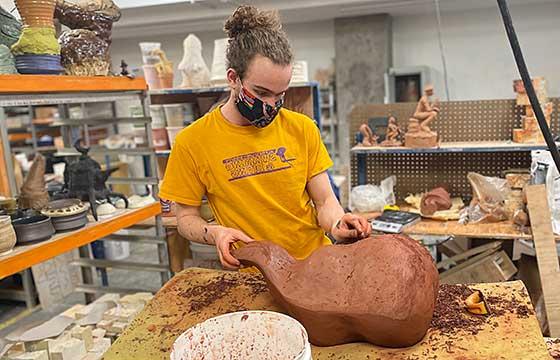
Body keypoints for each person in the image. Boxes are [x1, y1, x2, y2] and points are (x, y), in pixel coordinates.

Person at [159, 5, 371, 270]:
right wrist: (215, 233)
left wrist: (338, 223)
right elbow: (185, 218)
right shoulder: (193, 141)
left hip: (313, 265)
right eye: (261, 92)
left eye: (280, 94)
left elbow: (325, 201)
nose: (271, 104)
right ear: (233, 78)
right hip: (255, 273)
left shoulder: (302, 128)